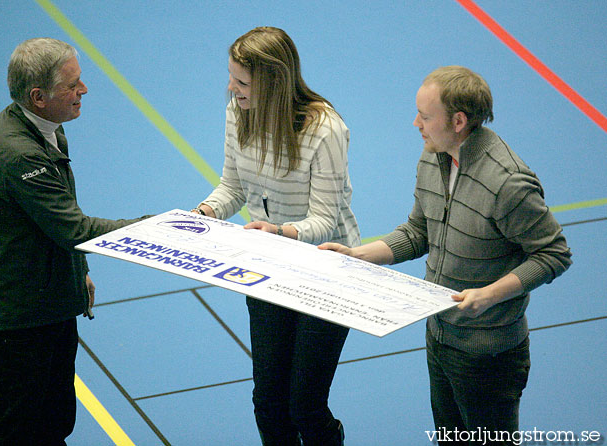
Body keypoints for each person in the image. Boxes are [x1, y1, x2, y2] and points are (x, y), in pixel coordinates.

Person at [320, 66, 572, 444]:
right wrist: (359, 254)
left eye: (425, 116)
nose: (415, 123)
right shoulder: (432, 157)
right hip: (439, 336)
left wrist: (489, 295)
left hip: (488, 355)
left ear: (458, 121)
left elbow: (554, 253)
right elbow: (419, 231)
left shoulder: (507, 183)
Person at [0, 38, 145, 445]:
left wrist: (78, 273)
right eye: (73, 84)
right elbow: (75, 229)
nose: (83, 90)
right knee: (13, 434)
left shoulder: (46, 129)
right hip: (17, 328)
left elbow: (60, 213)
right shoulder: (19, 155)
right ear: (39, 96)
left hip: (49, 311)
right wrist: (154, 227)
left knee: (53, 425)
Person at [192, 27, 359, 446]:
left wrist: (278, 231)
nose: (231, 88)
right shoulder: (237, 111)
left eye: (242, 81)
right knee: (268, 401)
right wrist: (203, 213)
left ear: (274, 82)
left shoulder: (325, 129)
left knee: (305, 405)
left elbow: (325, 220)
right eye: (232, 77)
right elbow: (232, 187)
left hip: (328, 270)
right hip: (271, 269)